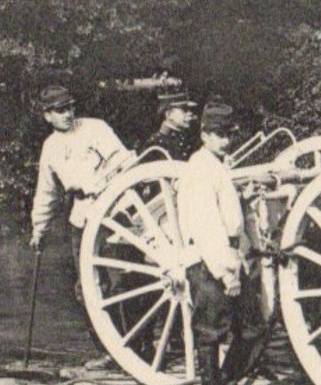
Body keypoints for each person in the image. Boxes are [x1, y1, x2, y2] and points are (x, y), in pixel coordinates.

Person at [175, 103, 267, 385]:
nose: (226, 140)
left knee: (253, 327)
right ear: (204, 135)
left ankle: (226, 383)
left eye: (229, 134)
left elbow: (231, 220)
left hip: (229, 254)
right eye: (219, 134)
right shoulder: (199, 170)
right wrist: (228, 273)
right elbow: (206, 228)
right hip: (206, 259)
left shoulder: (219, 166)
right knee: (210, 331)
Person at [28, 85, 138, 275]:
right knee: (86, 283)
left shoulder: (95, 127)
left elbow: (122, 162)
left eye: (70, 108)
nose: (67, 114)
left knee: (119, 280)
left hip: (113, 211)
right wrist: (39, 231)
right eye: (60, 110)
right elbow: (47, 194)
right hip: (82, 216)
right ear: (47, 116)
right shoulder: (50, 148)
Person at [144, 85, 199, 160]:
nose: (190, 113)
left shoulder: (189, 140)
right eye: (185, 110)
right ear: (168, 114)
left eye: (190, 110)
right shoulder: (156, 145)